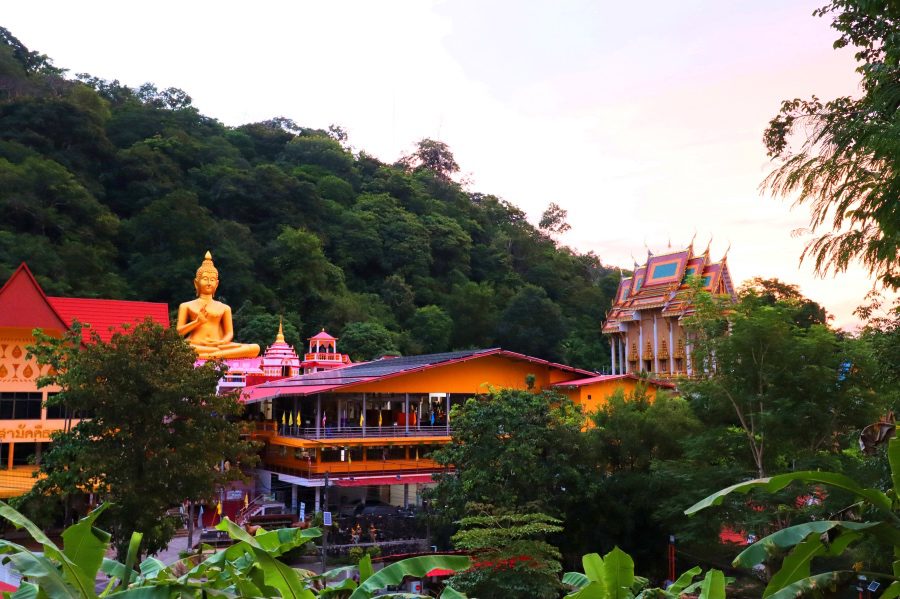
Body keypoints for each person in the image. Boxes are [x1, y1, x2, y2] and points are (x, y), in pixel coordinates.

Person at [176, 252, 260, 359]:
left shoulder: (224, 308)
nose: (209, 283)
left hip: (219, 346)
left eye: (212, 280)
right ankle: (214, 355)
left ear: (217, 284)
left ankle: (210, 355)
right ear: (196, 282)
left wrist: (221, 343)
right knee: (178, 347)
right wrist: (197, 322)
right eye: (205, 279)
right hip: (195, 344)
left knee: (255, 348)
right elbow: (178, 333)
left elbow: (229, 333)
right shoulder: (186, 306)